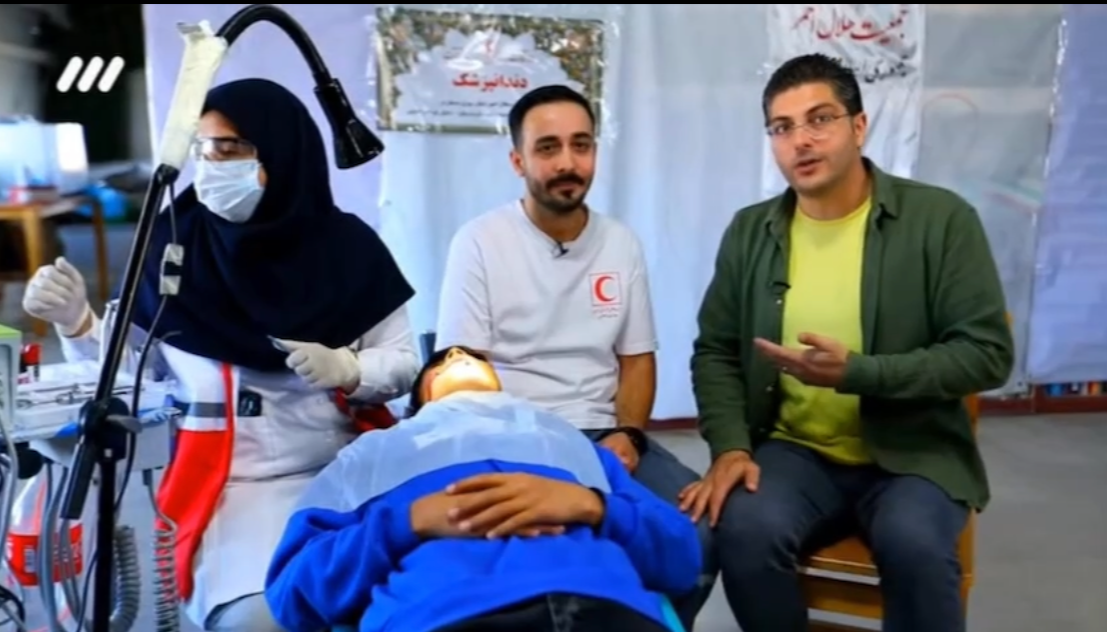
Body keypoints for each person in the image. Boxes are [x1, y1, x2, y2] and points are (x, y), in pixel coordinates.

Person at [21, 78, 420, 632]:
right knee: (262, 620)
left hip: (348, 467)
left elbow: (403, 365)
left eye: (231, 149)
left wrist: (351, 369)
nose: (211, 165)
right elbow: (131, 378)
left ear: (282, 153)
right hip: (233, 490)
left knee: (410, 605)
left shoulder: (350, 249)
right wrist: (79, 324)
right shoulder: (169, 247)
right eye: (203, 149)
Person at [683, 53, 1015, 632]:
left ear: (859, 127)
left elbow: (987, 353)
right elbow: (715, 351)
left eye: (820, 119)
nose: (801, 141)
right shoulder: (750, 231)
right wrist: (731, 448)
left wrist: (861, 373)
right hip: (795, 452)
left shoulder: (941, 219)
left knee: (915, 545)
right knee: (742, 529)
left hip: (913, 454)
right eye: (782, 127)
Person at [434, 84, 716, 630]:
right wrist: (525, 454)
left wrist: (629, 435)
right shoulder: (480, 242)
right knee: (552, 551)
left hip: (605, 436)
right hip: (512, 436)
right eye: (548, 148)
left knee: (696, 531)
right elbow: (462, 373)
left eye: (580, 145)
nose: (567, 162)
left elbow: (636, 360)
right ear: (518, 161)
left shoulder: (620, 243)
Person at [266, 345, 699, 632]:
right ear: (420, 400)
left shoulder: (573, 444)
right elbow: (292, 595)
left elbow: (682, 557)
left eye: (475, 357)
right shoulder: (371, 454)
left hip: (605, 606)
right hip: (446, 613)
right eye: (442, 362)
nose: (458, 354)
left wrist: (595, 506)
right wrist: (405, 522)